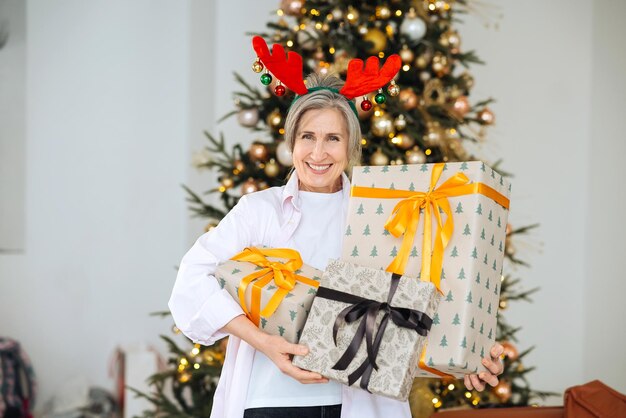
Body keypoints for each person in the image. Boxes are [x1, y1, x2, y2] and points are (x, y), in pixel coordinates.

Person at [168, 72, 504, 418]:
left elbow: (415, 302)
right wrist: (264, 343)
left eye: (333, 138)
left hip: (361, 404)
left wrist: (469, 355)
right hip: (270, 403)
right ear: (292, 143)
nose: (318, 152)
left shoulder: (381, 214)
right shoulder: (258, 212)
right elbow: (191, 283)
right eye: (307, 136)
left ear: (350, 147)